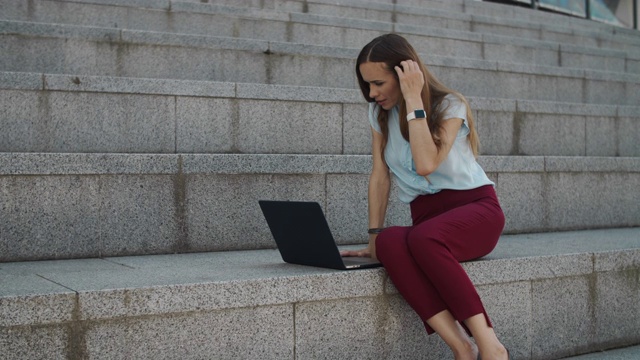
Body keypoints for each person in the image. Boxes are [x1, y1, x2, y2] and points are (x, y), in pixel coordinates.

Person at [340, 33, 510, 360]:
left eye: (378, 83)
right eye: (367, 86)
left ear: (405, 73)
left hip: (476, 212)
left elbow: (426, 163)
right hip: (427, 222)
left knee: (424, 239)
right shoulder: (378, 115)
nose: (372, 94)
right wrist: (374, 236)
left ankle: (491, 346)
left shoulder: (450, 105)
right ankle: (462, 346)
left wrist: (413, 100)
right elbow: (380, 176)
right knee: (391, 242)